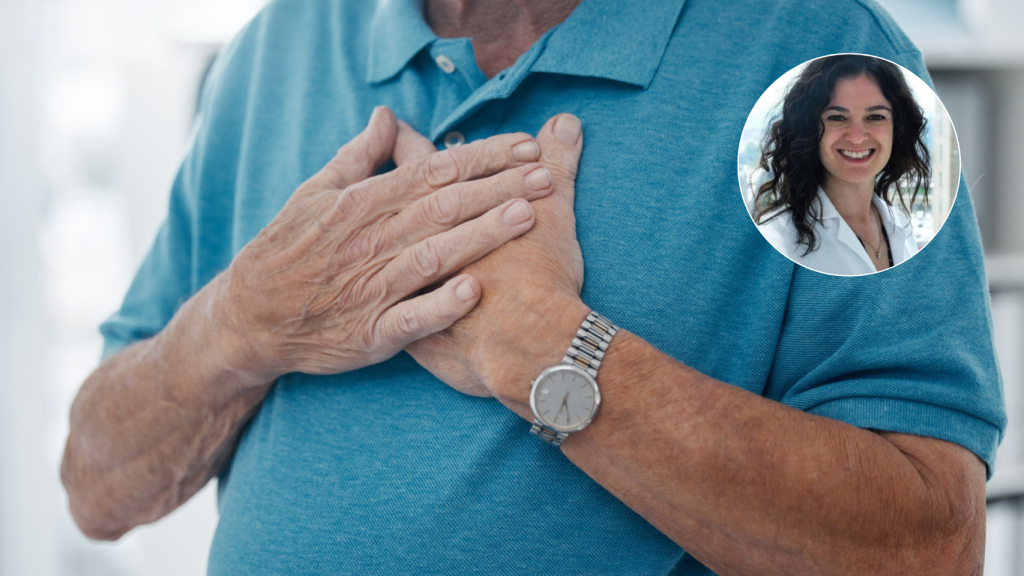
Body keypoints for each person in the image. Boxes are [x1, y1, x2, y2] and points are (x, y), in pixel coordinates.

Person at [61, 0, 1004, 574]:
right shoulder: (269, 51)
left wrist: (552, 353)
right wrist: (241, 323)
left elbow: (928, 549)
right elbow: (98, 487)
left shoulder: (835, 65)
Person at [752, 54, 931, 276]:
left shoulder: (900, 225)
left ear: (897, 129)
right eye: (837, 117)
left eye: (875, 117)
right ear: (810, 129)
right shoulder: (778, 237)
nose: (856, 137)